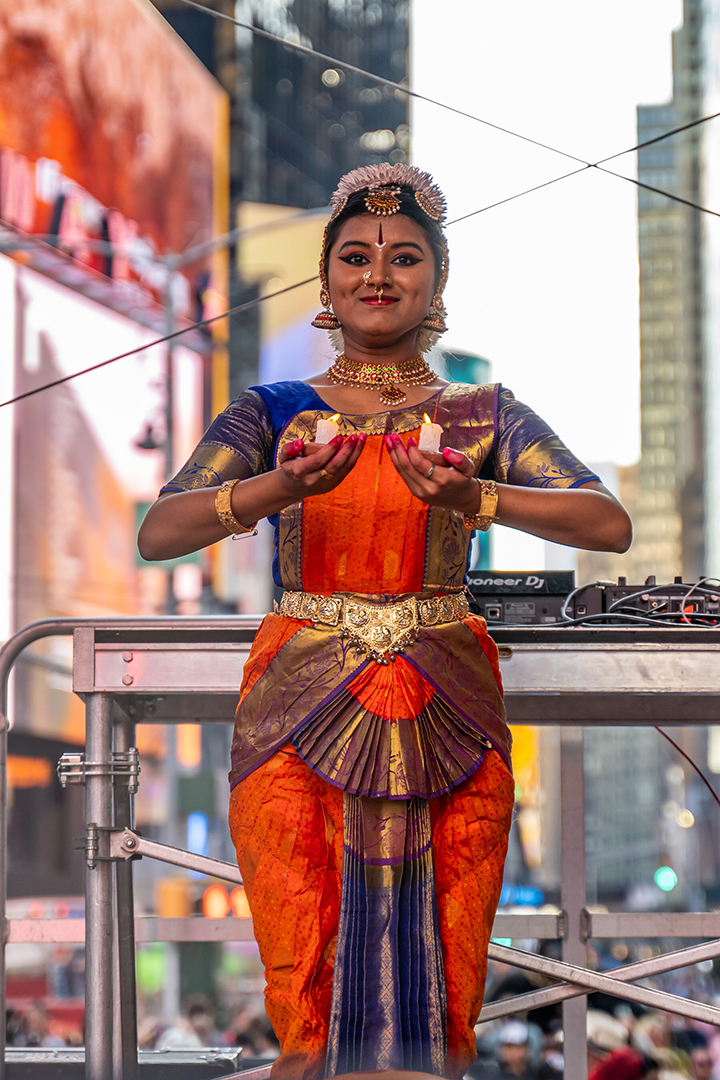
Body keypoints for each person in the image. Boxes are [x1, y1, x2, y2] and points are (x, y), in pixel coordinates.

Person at [138, 162, 632, 1079]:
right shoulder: (275, 412)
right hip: (298, 705)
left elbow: (605, 521)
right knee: (306, 992)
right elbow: (159, 531)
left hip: (446, 699)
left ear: (438, 284)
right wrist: (280, 485)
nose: (379, 275)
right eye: (357, 257)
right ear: (324, 281)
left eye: (404, 258)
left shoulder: (483, 416)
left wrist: (478, 495)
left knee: (442, 998)